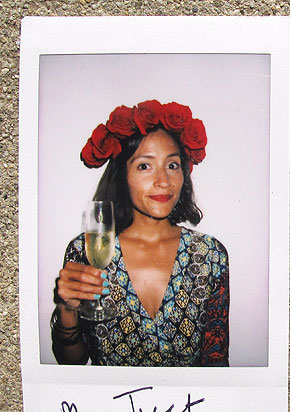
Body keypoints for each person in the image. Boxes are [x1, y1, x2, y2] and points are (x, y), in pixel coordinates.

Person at [51, 99, 229, 366]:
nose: (163, 181)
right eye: (145, 166)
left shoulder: (210, 255)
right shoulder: (87, 249)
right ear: (122, 174)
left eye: (172, 165)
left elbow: (216, 364)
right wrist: (67, 310)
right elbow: (71, 362)